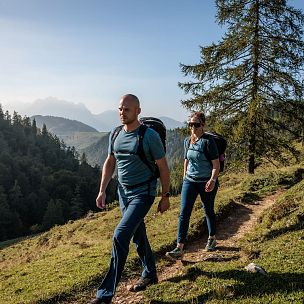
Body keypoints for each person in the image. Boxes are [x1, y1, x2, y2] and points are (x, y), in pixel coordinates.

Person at [89, 94, 170, 304]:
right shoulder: (115, 134)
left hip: (143, 193)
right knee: (137, 234)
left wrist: (165, 196)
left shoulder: (148, 135)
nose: (122, 113)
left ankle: (105, 295)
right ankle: (150, 273)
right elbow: (110, 161)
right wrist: (102, 190)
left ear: (137, 111)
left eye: (126, 109)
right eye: (120, 109)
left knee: (120, 235)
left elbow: (163, 167)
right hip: (123, 193)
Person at [165, 112, 220, 260]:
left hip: (206, 182)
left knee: (208, 210)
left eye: (196, 124)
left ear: (203, 125)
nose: (192, 127)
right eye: (190, 124)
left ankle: (212, 238)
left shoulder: (208, 142)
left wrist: (212, 180)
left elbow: (216, 165)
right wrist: (184, 177)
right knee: (184, 213)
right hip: (190, 181)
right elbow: (186, 160)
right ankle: (179, 247)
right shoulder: (187, 141)